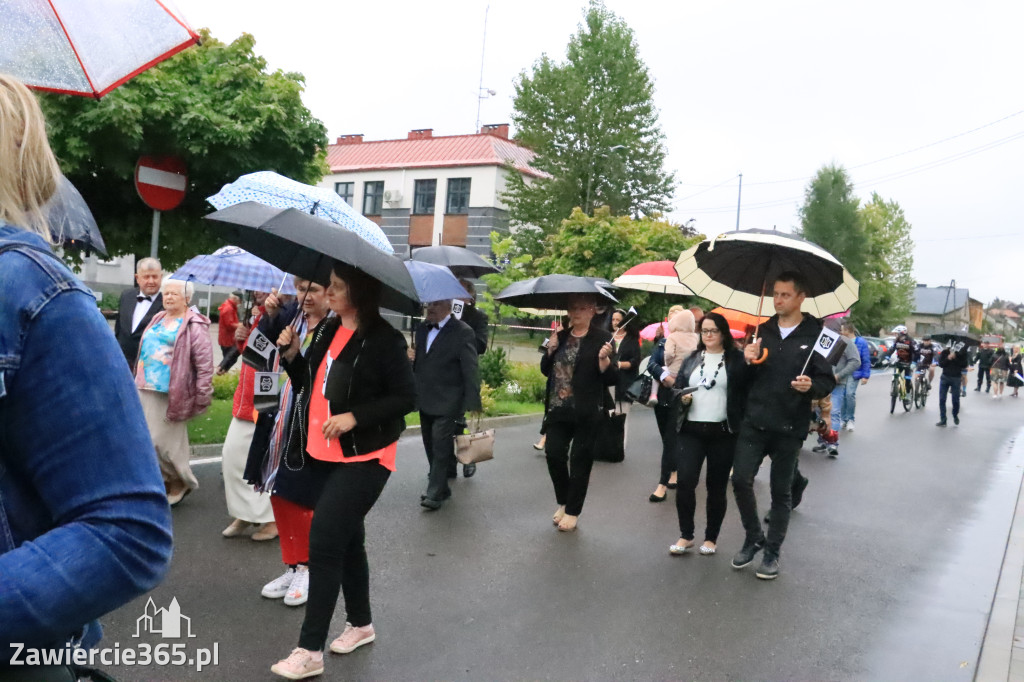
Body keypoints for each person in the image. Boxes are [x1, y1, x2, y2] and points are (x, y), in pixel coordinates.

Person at [0, 72, 172, 666]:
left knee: (165, 448)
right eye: (146, 279)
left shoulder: (34, 290)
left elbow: (128, 529)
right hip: (127, 371)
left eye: (157, 280)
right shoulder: (116, 301)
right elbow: (126, 335)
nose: (150, 286)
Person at [270, 262, 416, 680]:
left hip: (366, 457)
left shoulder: (384, 339)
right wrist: (294, 354)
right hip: (323, 453)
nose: (327, 293)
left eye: (336, 287)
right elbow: (307, 382)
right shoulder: (330, 329)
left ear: (360, 292)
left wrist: (356, 416)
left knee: (325, 543)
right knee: (349, 542)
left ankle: (309, 649)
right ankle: (362, 624)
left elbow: (407, 397)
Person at [730, 272, 836, 580]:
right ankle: (753, 537)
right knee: (740, 480)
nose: (778, 300)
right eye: (775, 294)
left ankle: (772, 552)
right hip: (755, 419)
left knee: (780, 492)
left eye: (785, 295)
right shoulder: (761, 331)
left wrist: (811, 386)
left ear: (801, 297)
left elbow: (827, 379)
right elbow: (743, 380)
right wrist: (746, 360)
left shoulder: (818, 335)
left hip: (789, 424)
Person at [249, 278, 331, 608]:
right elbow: (255, 353)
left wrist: (296, 352)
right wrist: (267, 318)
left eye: (313, 290)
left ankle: (308, 567)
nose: (305, 296)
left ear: (330, 293)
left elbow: (319, 379)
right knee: (277, 489)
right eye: (300, 289)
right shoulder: (289, 316)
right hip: (275, 411)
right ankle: (292, 563)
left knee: (301, 493)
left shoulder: (332, 328)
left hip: (307, 419)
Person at [668, 312, 748, 557]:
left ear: (723, 332)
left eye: (714, 330)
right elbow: (678, 389)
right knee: (685, 482)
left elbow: (746, 392)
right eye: (704, 331)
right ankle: (686, 535)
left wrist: (753, 362)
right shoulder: (693, 358)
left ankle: (711, 538)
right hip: (691, 430)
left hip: (723, 432)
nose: (709, 335)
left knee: (716, 487)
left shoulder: (737, 360)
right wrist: (682, 396)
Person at [541, 293, 618, 532]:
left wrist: (604, 362)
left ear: (593, 310)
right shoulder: (560, 336)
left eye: (582, 308)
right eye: (573, 308)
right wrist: (550, 350)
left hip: (586, 410)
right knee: (553, 454)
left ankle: (573, 511)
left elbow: (612, 378)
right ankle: (564, 501)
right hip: (558, 409)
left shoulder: (604, 339)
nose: (577, 313)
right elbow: (546, 371)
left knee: (580, 461)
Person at [135, 278, 215, 505]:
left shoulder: (194, 325)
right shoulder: (158, 317)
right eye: (165, 293)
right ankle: (166, 481)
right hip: (144, 386)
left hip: (172, 392)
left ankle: (181, 480)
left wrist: (202, 394)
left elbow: (204, 363)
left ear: (187, 299)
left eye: (174, 294)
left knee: (162, 441)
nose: (168, 297)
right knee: (144, 440)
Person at [221, 288, 280, 541]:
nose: (259, 293)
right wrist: (240, 338)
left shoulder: (284, 314)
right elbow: (252, 351)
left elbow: (274, 348)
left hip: (266, 393)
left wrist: (272, 315)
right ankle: (245, 512)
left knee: (262, 460)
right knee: (232, 456)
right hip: (245, 397)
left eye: (265, 289)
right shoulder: (256, 315)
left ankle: (270, 518)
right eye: (256, 289)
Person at [413, 298, 482, 510]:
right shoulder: (422, 329)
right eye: (428, 304)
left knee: (441, 445)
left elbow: (470, 368)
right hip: (425, 397)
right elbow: (422, 363)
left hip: (450, 399)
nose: (430, 308)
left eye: (435, 304)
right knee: (430, 445)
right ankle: (442, 487)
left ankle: (434, 493)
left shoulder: (463, 332)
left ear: (449, 306)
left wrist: (473, 402)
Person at [648, 309, 698, 502]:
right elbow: (651, 364)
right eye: (670, 314)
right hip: (663, 395)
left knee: (671, 439)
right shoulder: (662, 341)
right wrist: (663, 376)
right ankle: (674, 469)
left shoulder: (696, 340)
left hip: (682, 393)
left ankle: (663, 482)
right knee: (667, 438)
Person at [114, 256, 164, 372]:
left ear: (161, 277)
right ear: (137, 278)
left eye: (155, 277)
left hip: (150, 368)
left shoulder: (167, 303)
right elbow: (119, 330)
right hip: (123, 364)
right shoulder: (126, 296)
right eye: (146, 277)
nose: (151, 281)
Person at [821, 321, 859, 458]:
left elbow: (855, 361)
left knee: (834, 411)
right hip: (820, 382)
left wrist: (839, 375)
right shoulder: (820, 340)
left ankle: (832, 443)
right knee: (820, 413)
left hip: (837, 383)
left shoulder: (846, 342)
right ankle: (823, 440)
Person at [610, 308, 641, 427]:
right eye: (613, 319)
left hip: (625, 383)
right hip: (610, 385)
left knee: (622, 419)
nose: (615, 322)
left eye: (618, 320)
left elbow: (635, 361)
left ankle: (621, 445)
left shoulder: (632, 340)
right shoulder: (607, 337)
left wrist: (620, 364)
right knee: (610, 417)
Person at [841, 321, 871, 431]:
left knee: (849, 394)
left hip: (855, 373)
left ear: (848, 331)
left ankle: (850, 420)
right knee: (843, 395)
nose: (841, 332)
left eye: (842, 330)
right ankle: (843, 419)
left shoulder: (861, 342)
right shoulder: (842, 341)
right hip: (843, 372)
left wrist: (865, 376)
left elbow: (866, 359)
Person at [936, 342, 970, 426]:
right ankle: (943, 419)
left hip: (956, 378)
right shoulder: (945, 352)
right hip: (945, 377)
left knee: (955, 400)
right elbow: (941, 364)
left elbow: (964, 364)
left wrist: (955, 358)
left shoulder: (962, 353)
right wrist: (948, 358)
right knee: (942, 399)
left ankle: (955, 415)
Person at [458, 277, 490, 355]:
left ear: (470, 296)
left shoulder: (479, 317)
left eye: (460, 292)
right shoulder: (444, 313)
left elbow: (481, 346)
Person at [889, 325, 917, 394]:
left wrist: (913, 362)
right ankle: (896, 386)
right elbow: (891, 349)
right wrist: (887, 357)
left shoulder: (910, 340)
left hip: (909, 362)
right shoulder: (896, 341)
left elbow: (915, 352)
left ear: (901, 333)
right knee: (896, 374)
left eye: (896, 333)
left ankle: (907, 393)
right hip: (900, 361)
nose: (895, 335)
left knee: (907, 378)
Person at [217, 290, 242, 359]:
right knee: (229, 359)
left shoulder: (229, 306)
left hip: (226, 338)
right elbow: (229, 325)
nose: (240, 303)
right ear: (235, 299)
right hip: (227, 340)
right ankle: (221, 369)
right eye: (240, 301)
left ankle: (222, 369)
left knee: (228, 358)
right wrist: (240, 325)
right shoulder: (229, 308)